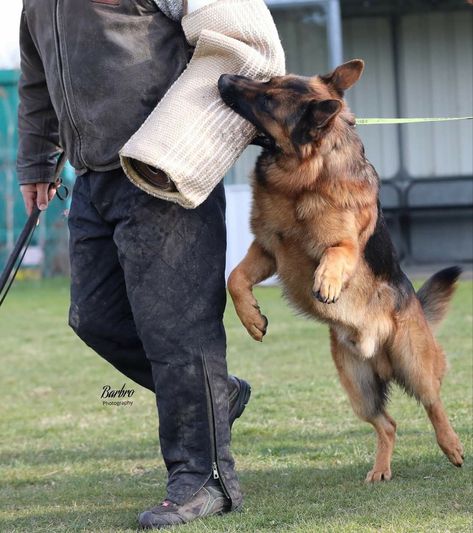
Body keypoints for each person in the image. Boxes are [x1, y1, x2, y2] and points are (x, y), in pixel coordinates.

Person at [17, 0, 284, 529]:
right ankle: (218, 395)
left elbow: (238, 39)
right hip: (92, 176)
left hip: (162, 164)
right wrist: (35, 160)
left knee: (178, 332)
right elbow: (36, 79)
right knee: (93, 318)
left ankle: (204, 479)